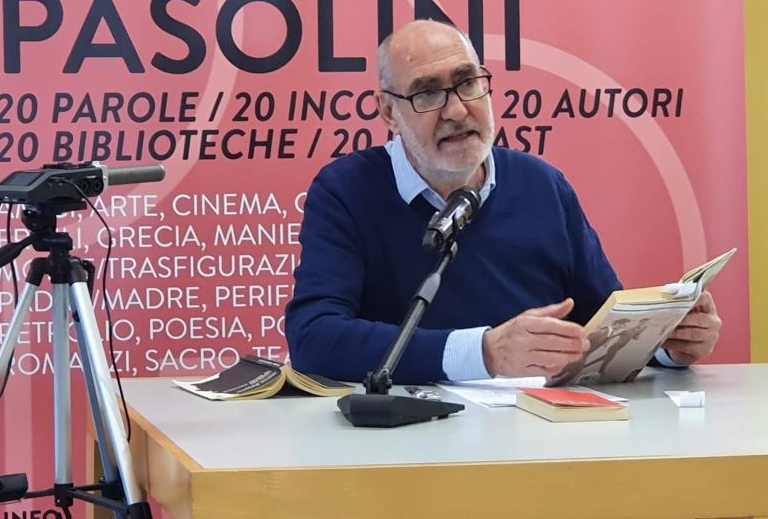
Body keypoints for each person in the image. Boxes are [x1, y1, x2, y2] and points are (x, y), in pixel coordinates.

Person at [284, 19, 721, 384]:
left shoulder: (542, 185)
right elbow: (314, 339)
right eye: (427, 93)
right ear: (388, 113)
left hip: (537, 436)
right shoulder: (346, 191)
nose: (456, 110)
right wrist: (484, 353)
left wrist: (667, 343)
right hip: (405, 442)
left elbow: (602, 324)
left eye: (467, 83)